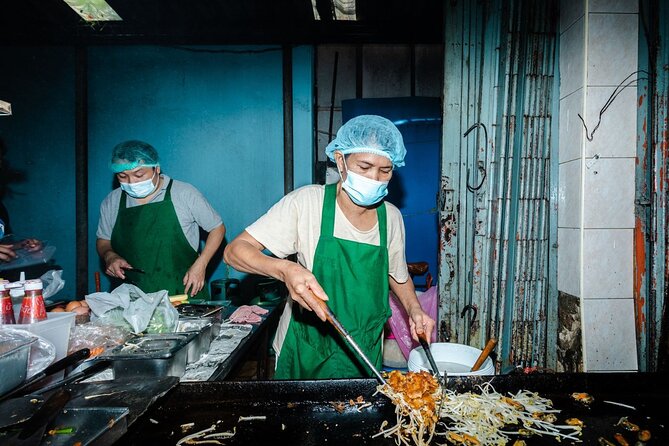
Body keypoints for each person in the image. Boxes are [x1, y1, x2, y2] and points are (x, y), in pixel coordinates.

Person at [224, 115, 436, 379]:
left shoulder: (391, 217)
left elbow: (397, 274)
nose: (374, 178)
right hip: (307, 349)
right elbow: (235, 251)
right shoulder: (307, 203)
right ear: (340, 160)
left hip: (364, 351)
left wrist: (415, 310)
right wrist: (285, 270)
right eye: (365, 166)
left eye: (385, 170)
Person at [96, 140, 225, 299]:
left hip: (183, 291)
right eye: (123, 177)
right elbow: (103, 240)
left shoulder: (184, 193)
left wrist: (201, 264)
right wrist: (110, 256)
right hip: (132, 298)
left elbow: (217, 228)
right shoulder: (112, 201)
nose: (132, 182)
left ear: (156, 168)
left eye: (139, 175)